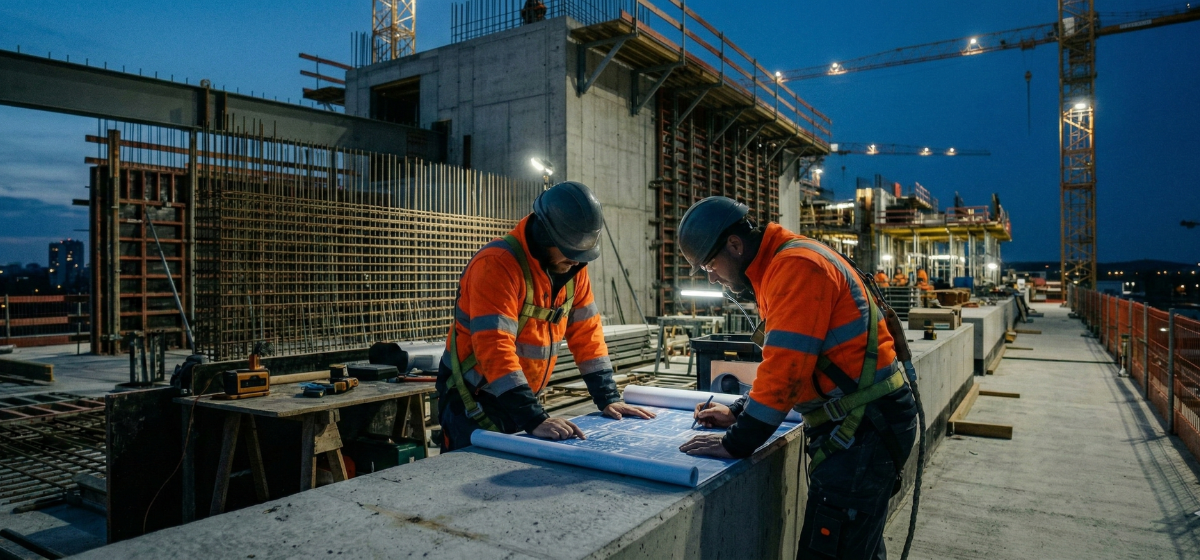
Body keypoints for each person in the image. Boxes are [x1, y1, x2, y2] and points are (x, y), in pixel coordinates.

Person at [674, 197, 918, 560]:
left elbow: (785, 373)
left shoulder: (796, 267)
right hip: (864, 421)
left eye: (710, 264)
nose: (711, 276)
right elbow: (792, 362)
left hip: (865, 428)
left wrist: (737, 442)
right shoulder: (780, 266)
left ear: (735, 245)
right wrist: (739, 411)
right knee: (855, 547)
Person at [437, 181, 654, 450]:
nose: (576, 261)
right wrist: (533, 417)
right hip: (473, 401)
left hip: (516, 398)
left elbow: (587, 335)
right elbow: (494, 347)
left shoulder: (573, 268)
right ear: (544, 235)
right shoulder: (496, 264)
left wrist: (608, 397)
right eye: (570, 251)